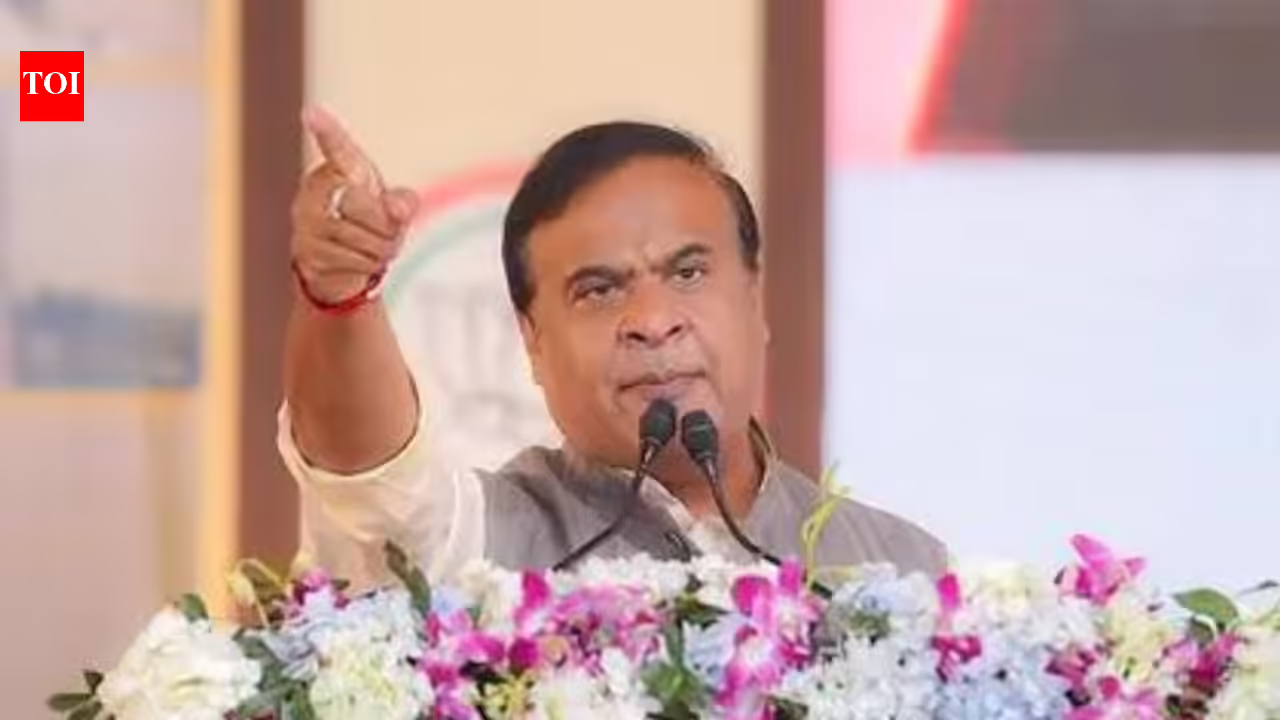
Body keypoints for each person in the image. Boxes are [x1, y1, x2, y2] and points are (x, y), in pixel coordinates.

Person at [279, 107, 947, 590]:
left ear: (755, 302)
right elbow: (376, 491)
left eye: (689, 273)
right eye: (598, 290)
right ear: (532, 341)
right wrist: (341, 292)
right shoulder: (481, 551)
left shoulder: (901, 571)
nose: (653, 322)